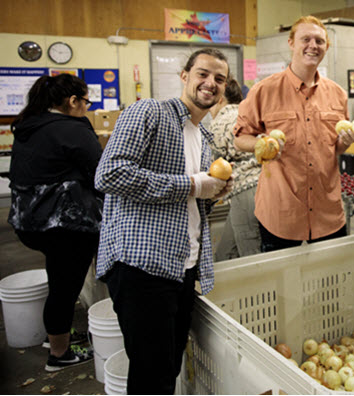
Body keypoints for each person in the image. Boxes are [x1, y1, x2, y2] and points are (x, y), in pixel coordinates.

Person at [94, 48, 232, 394]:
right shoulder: (149, 112)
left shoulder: (203, 135)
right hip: (141, 265)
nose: (210, 83)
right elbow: (110, 175)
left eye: (219, 78)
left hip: (182, 266)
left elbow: (184, 200)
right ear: (184, 76)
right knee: (152, 374)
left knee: (167, 365)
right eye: (202, 73)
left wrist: (211, 191)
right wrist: (193, 184)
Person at [234, 16, 354, 252]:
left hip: (327, 212)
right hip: (280, 213)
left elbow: (336, 148)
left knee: (331, 282)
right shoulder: (264, 90)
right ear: (291, 43)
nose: (313, 45)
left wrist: (345, 142)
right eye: (306, 39)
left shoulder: (338, 95)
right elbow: (240, 137)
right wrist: (261, 143)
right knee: (281, 284)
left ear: (326, 47)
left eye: (319, 41)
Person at [7, 73, 100, 371]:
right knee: (64, 286)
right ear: (72, 101)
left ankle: (55, 335)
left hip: (28, 221)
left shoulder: (29, 125)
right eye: (85, 102)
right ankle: (59, 355)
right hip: (63, 225)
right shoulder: (71, 129)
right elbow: (101, 173)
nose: (86, 107)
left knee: (59, 276)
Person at [209, 78, 261, 260]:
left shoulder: (219, 123)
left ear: (221, 98)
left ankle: (259, 289)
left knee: (251, 254)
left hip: (245, 192)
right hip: (267, 186)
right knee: (225, 252)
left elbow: (213, 165)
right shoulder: (247, 116)